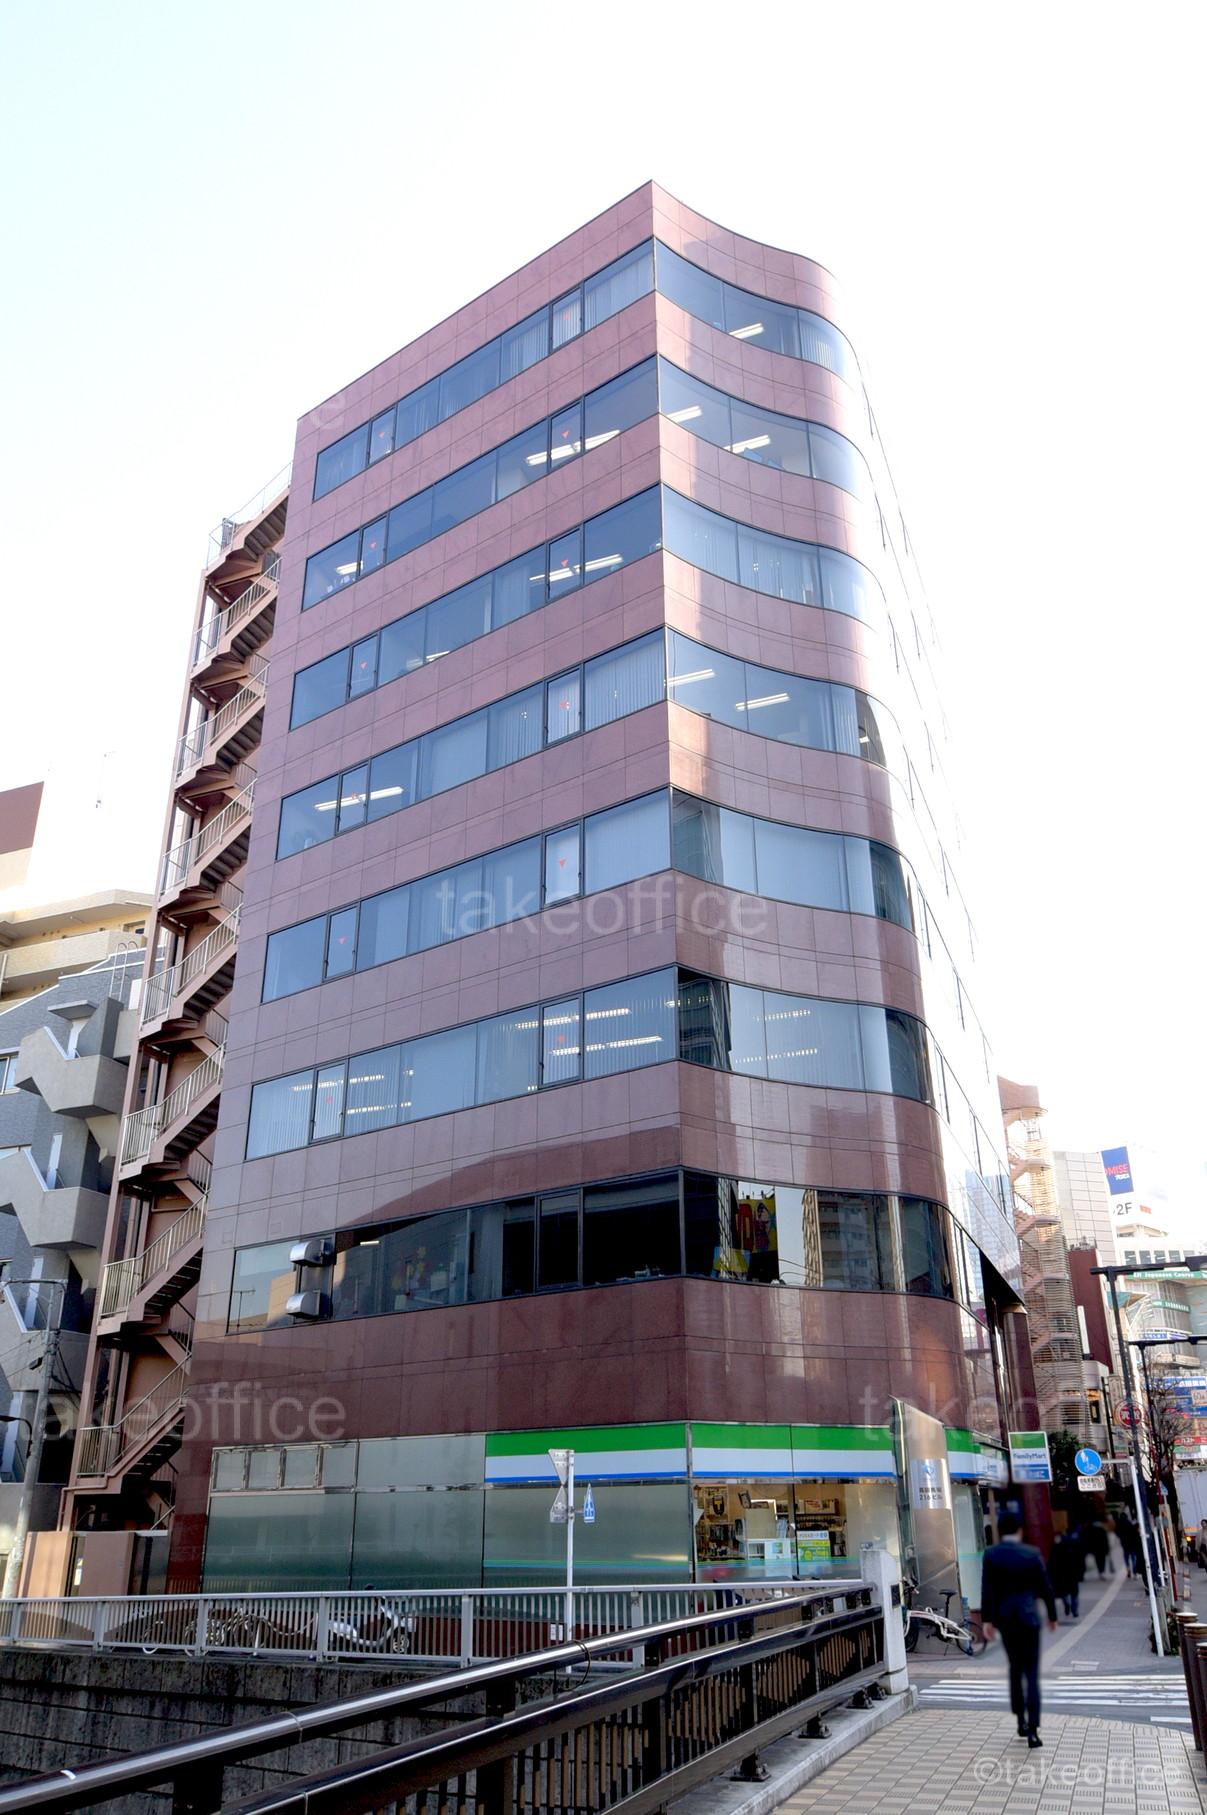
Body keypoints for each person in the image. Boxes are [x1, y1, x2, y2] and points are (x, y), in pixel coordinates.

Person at [981, 1509, 1058, 1748]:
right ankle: (1033, 1731)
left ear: (1000, 1530)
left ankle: (1020, 1721)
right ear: (1020, 1530)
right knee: (1031, 1673)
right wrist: (1052, 1616)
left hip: (1006, 1619)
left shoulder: (991, 1554)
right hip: (1029, 1618)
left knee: (1015, 1668)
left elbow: (987, 1589)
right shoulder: (1031, 1553)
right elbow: (1045, 1587)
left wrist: (987, 1620)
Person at [1048, 1529, 1084, 1619]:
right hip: (1073, 1571)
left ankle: (1067, 1604)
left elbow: (1052, 1561)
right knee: (1074, 1592)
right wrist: (1081, 1572)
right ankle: (1074, 1609)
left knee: (1063, 1592)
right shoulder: (1074, 1543)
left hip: (1061, 1572)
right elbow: (1080, 1558)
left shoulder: (1056, 1545)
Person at [1115, 1508, 1142, 1579]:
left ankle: (1128, 1569)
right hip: (1132, 1544)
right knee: (1133, 1558)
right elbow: (1134, 1531)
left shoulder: (1119, 1525)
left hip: (1124, 1544)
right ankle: (1134, 1572)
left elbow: (1117, 1533)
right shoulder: (1129, 1523)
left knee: (1126, 1558)